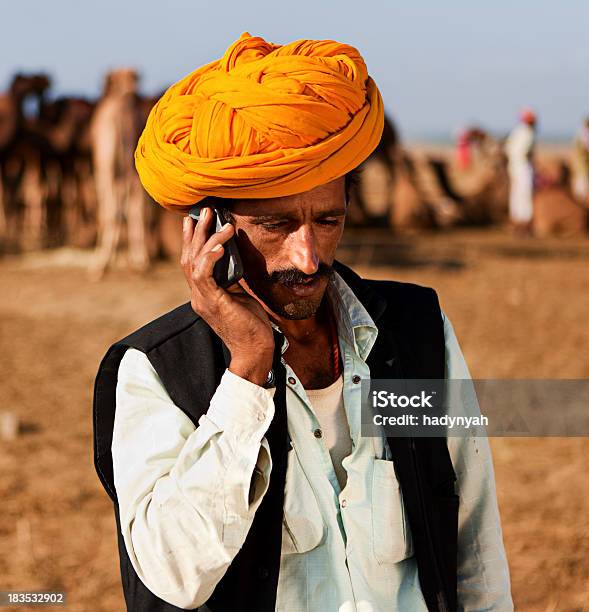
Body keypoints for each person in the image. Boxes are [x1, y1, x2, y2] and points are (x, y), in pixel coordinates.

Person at [93, 33, 513, 612]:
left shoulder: (416, 334)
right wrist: (246, 371)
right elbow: (174, 574)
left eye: (328, 220)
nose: (308, 256)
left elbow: (474, 540)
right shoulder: (158, 372)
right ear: (211, 229)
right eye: (276, 225)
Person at [504, 108, 537, 236]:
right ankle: (525, 223)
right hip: (522, 166)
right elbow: (524, 152)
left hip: (513, 167)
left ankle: (516, 221)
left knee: (516, 194)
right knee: (525, 194)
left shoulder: (517, 131)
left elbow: (508, 149)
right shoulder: (528, 133)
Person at [572, 116, 589, 203]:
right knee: (583, 182)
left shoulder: (587, 135)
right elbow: (586, 149)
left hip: (586, 163)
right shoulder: (584, 135)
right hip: (583, 163)